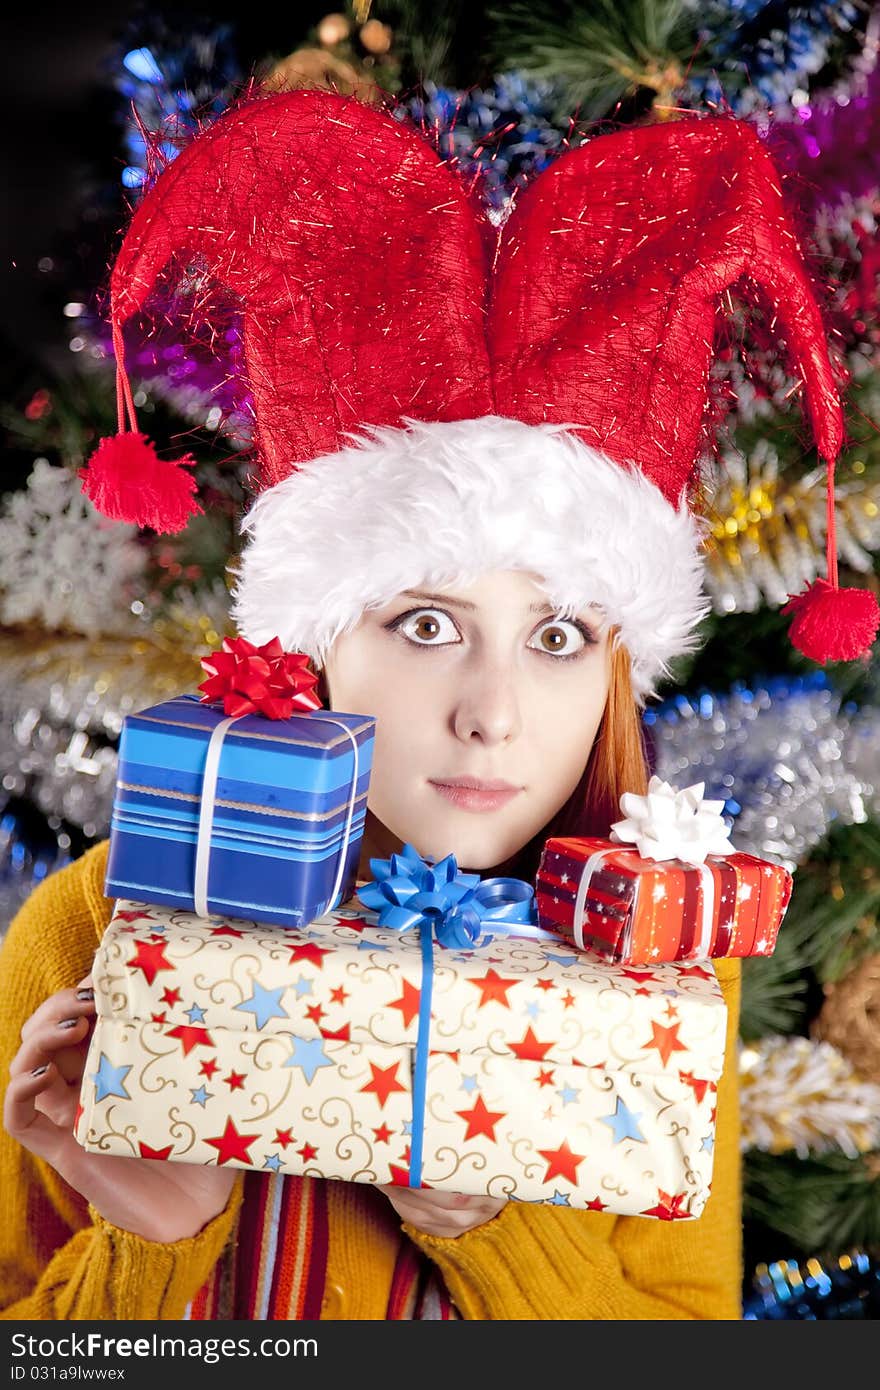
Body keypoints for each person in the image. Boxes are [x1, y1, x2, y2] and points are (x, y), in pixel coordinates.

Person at [1, 86, 871, 1322]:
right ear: (319, 640)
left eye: (559, 636)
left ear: (615, 668)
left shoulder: (658, 970)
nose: (493, 712)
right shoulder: (98, 919)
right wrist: (161, 1231)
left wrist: (492, 1222)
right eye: (423, 625)